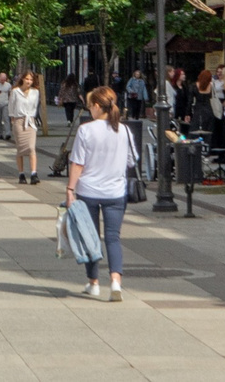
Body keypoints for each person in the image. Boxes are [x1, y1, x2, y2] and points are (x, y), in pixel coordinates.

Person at [65, 86, 134, 302]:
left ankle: (93, 283)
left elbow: (77, 163)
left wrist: (70, 189)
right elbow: (131, 161)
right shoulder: (123, 130)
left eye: (89, 106)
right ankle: (115, 281)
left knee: (91, 237)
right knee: (113, 238)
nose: (89, 110)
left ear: (96, 106)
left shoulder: (86, 130)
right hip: (115, 191)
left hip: (89, 191)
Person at [8, 71, 43, 183]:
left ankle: (33, 173)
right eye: (27, 79)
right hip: (19, 120)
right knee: (20, 149)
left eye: (31, 80)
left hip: (30, 121)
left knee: (31, 147)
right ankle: (21, 174)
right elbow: (11, 107)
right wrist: (13, 121)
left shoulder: (35, 92)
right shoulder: (15, 91)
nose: (29, 81)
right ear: (22, 79)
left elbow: (35, 106)